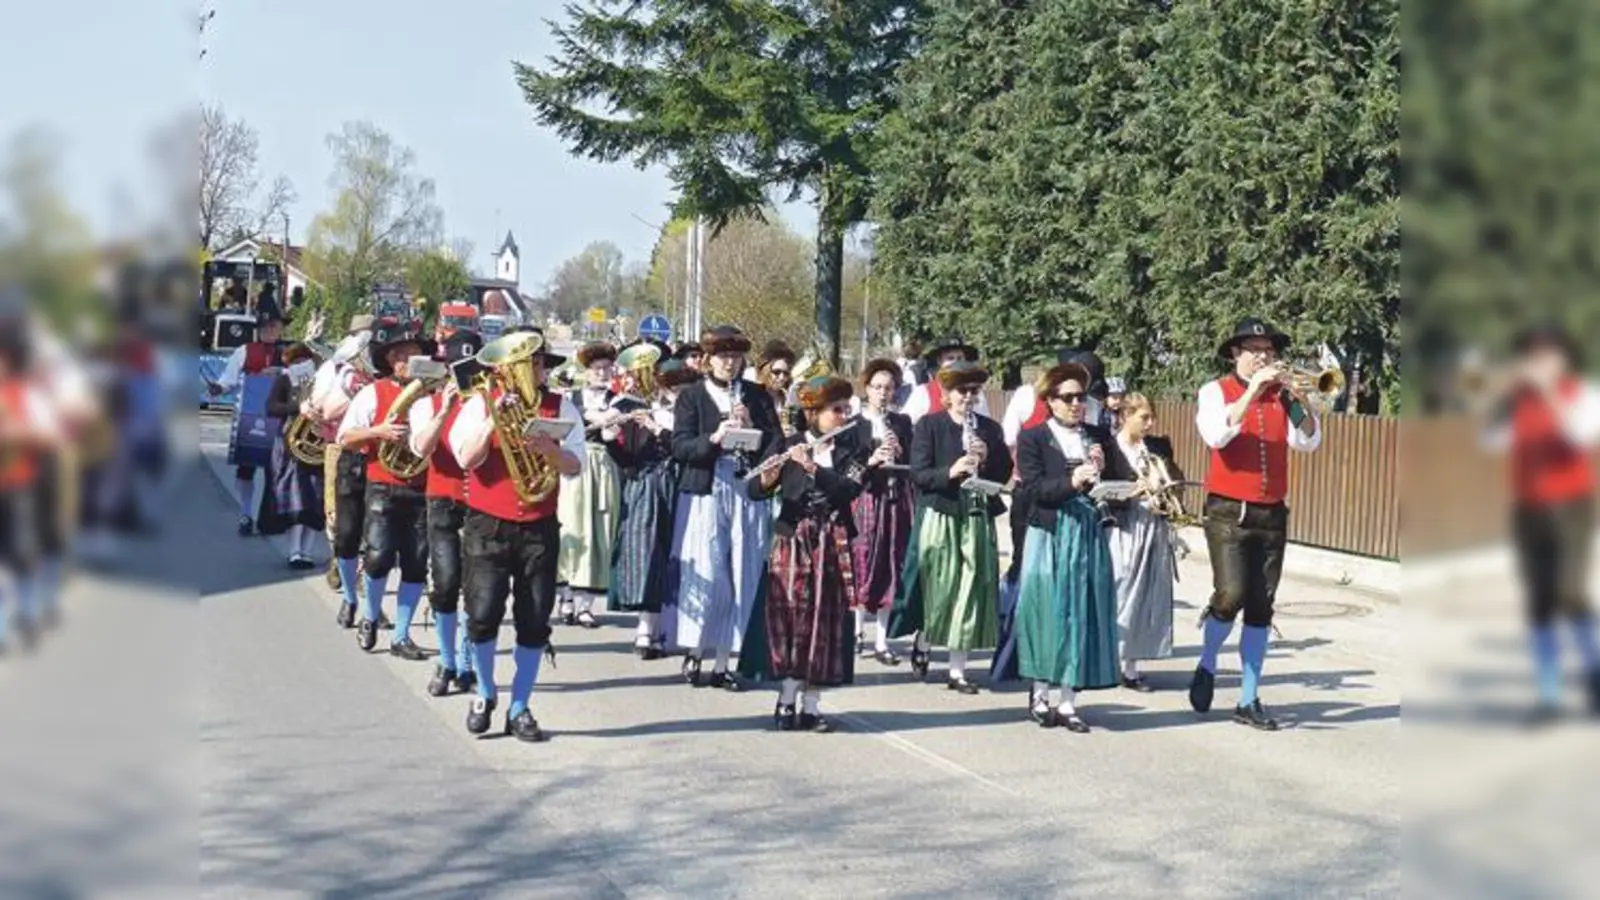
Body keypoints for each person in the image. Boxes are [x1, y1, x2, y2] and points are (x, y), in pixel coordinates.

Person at [448, 329, 586, 742]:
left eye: (540, 362)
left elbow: (575, 466)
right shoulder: (479, 404)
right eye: (528, 363)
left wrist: (550, 450)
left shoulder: (562, 409)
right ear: (504, 370)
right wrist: (492, 419)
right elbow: (463, 458)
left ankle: (521, 705)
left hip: (539, 526)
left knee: (534, 619)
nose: (535, 370)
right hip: (488, 524)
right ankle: (486, 693)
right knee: (483, 612)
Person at [1191, 318, 1323, 731]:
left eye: (1269, 350)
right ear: (1236, 354)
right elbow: (1217, 435)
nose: (1264, 357)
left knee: (1262, 606)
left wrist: (1300, 402)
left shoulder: (1282, 397)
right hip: (1229, 510)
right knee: (1230, 594)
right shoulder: (1214, 392)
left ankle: (1248, 699)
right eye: (1254, 350)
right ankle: (1208, 662)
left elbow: (1308, 441)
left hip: (1271, 512)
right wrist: (1252, 390)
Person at [1480, 323, 1600, 722]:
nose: (1539, 362)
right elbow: (1492, 441)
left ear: (1564, 358)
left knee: (1571, 592)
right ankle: (1549, 696)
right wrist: (1503, 397)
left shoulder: (1583, 394)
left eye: (1547, 354)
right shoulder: (1519, 402)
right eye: (1533, 355)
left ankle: (1593, 672)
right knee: (1539, 601)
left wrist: (1548, 392)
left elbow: (1579, 435)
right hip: (1528, 508)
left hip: (1571, 505)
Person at [746, 375, 869, 732]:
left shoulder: (853, 447)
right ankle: (786, 700)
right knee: (791, 621)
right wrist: (770, 477)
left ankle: (812, 705)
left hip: (832, 538)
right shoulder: (789, 443)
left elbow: (849, 489)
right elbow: (755, 489)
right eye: (837, 409)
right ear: (813, 412)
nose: (844, 415)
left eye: (846, 408)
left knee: (825, 623)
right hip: (793, 539)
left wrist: (814, 466)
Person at [670, 325, 782, 689]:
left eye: (735, 358)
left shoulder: (757, 395)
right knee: (709, 570)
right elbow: (681, 447)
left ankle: (725, 662)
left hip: (745, 489)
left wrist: (752, 429)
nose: (729, 364)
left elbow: (775, 443)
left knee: (742, 571)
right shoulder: (692, 397)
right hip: (707, 489)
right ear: (708, 361)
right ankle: (696, 650)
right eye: (722, 357)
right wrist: (715, 437)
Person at [890, 360, 1013, 691]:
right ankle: (925, 638)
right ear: (946, 393)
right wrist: (951, 471)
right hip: (941, 513)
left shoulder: (989, 428)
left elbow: (1003, 474)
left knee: (971, 589)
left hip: (975, 514)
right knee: (940, 587)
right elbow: (919, 473)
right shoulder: (930, 425)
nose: (969, 397)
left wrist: (988, 456)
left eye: (974, 391)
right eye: (962, 390)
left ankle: (957, 669)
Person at [1013, 362, 1120, 732]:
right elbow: (1033, 490)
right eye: (1068, 398)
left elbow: (1122, 482)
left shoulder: (1097, 435)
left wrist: (1108, 473)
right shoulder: (1034, 438)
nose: (1077, 404)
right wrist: (1072, 480)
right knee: (1046, 612)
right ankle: (1039, 694)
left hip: (1088, 533)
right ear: (1050, 401)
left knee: (1081, 611)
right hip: (1051, 533)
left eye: (1082, 398)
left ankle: (1069, 701)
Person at [336, 321, 433, 660]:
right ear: (392, 360)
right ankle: (370, 615)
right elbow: (344, 437)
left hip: (422, 488)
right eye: (404, 355)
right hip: (382, 485)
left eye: (416, 355)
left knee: (416, 564)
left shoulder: (432, 394)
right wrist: (379, 431)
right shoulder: (373, 392)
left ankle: (402, 635)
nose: (411, 361)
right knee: (377, 559)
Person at [410, 331, 484, 697]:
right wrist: (444, 410)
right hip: (441, 499)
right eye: (460, 370)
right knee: (445, 582)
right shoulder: (427, 404)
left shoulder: (489, 403)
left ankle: (468, 661)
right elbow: (421, 449)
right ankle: (447, 658)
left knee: (476, 587)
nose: (468, 378)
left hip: (482, 504)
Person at [609, 354, 698, 659]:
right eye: (673, 389)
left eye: (685, 388)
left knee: (680, 557)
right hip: (647, 489)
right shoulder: (640, 410)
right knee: (646, 555)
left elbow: (689, 450)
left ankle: (669, 630)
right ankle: (645, 630)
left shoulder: (693, 417)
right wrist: (610, 437)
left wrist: (657, 427)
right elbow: (627, 460)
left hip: (683, 487)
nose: (679, 394)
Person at [1102, 393, 1181, 691]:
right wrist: (1131, 490)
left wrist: (1165, 490)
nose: (1150, 423)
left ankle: (1131, 667)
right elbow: (1102, 489)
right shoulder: (1109, 448)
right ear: (1125, 416)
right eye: (1143, 417)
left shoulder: (1158, 447)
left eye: (1151, 417)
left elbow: (1174, 481)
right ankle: (1111, 659)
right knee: (1122, 588)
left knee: (1148, 593)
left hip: (1153, 523)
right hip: (1123, 525)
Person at [850, 358, 915, 664]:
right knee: (862, 561)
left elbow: (915, 463)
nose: (883, 393)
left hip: (894, 498)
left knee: (892, 563)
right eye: (877, 387)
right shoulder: (854, 423)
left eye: (888, 388)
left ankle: (882, 640)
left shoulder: (901, 423)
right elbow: (847, 466)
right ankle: (856, 631)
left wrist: (900, 451)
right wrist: (871, 460)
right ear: (866, 389)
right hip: (865, 499)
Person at [558, 341, 624, 628]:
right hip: (576, 465)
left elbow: (623, 445)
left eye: (606, 368)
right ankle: (566, 596)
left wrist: (615, 431)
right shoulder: (570, 399)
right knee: (570, 527)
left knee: (601, 531)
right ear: (586, 371)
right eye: (596, 368)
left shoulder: (619, 400)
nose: (602, 373)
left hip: (605, 468)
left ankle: (586, 603)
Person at [207, 300, 287, 535]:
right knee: (246, 470)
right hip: (250, 417)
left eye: (275, 326)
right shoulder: (245, 350)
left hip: (281, 420)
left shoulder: (291, 352)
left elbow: (306, 376)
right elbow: (227, 380)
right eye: (266, 327)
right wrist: (217, 388)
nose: (270, 331)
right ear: (259, 329)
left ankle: (272, 518)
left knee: (277, 472)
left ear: (281, 328)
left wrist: (281, 371)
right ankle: (246, 513)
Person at [309, 314, 374, 592]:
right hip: (340, 445)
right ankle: (341, 563)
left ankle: (354, 569)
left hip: (371, 448)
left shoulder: (372, 373)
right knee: (337, 512)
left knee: (368, 514)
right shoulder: (336, 370)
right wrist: (353, 395)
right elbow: (322, 408)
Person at [258, 343, 326, 568]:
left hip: (317, 444)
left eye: (304, 361)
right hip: (291, 445)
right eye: (295, 362)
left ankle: (307, 552)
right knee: (298, 501)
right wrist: (298, 406)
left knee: (316, 502)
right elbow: (271, 407)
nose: (300, 366)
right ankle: (295, 552)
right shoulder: (284, 380)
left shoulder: (322, 382)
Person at [900, 337, 991, 422]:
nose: (956, 362)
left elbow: (985, 424)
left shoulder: (975, 393)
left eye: (960, 358)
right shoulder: (924, 392)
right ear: (940, 361)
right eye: (950, 358)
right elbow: (905, 424)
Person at [756, 340, 800, 436]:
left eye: (786, 373)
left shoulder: (788, 397)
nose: (782, 377)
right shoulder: (755, 396)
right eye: (776, 372)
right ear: (765, 371)